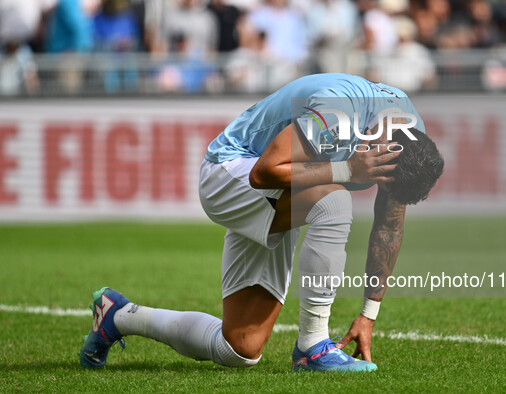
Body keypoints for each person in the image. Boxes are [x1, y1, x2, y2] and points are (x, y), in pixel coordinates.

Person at [79, 73, 444, 372]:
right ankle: (313, 348)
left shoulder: (409, 137)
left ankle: (118, 316)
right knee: (335, 199)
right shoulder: (339, 114)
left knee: (239, 349)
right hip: (229, 172)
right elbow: (264, 172)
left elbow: (390, 225)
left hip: (282, 193)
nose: (378, 187)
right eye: (381, 182)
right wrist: (349, 168)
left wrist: (368, 315)